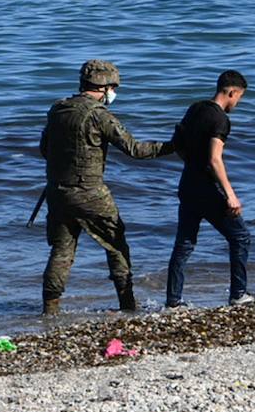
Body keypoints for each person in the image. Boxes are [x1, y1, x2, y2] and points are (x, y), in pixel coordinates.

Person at [38, 60, 173, 315]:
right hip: (90, 192)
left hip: (57, 191)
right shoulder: (100, 115)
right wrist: (174, 145)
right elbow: (135, 149)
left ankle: (50, 307)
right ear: (106, 87)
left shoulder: (57, 109)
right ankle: (127, 303)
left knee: (62, 249)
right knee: (116, 244)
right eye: (113, 87)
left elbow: (45, 149)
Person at [165, 70, 252, 307]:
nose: (238, 103)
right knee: (241, 237)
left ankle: (173, 300)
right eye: (239, 97)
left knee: (184, 243)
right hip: (207, 189)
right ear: (232, 92)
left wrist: (191, 164)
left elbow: (178, 142)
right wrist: (230, 195)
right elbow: (215, 159)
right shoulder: (221, 119)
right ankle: (238, 294)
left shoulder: (195, 108)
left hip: (187, 184)